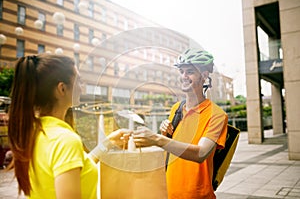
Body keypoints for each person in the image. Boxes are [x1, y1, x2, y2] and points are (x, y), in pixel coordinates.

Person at [7, 54, 130, 198]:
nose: (82, 88)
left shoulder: (34, 132)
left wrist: (108, 143)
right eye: (79, 81)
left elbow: (77, 167)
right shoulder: (65, 140)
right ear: (62, 89)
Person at [133, 48, 228, 199]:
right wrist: (165, 133)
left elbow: (200, 153)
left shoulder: (216, 115)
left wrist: (157, 139)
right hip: (169, 193)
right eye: (181, 71)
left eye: (190, 71)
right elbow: (171, 148)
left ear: (204, 76)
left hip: (198, 196)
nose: (184, 76)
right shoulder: (176, 109)